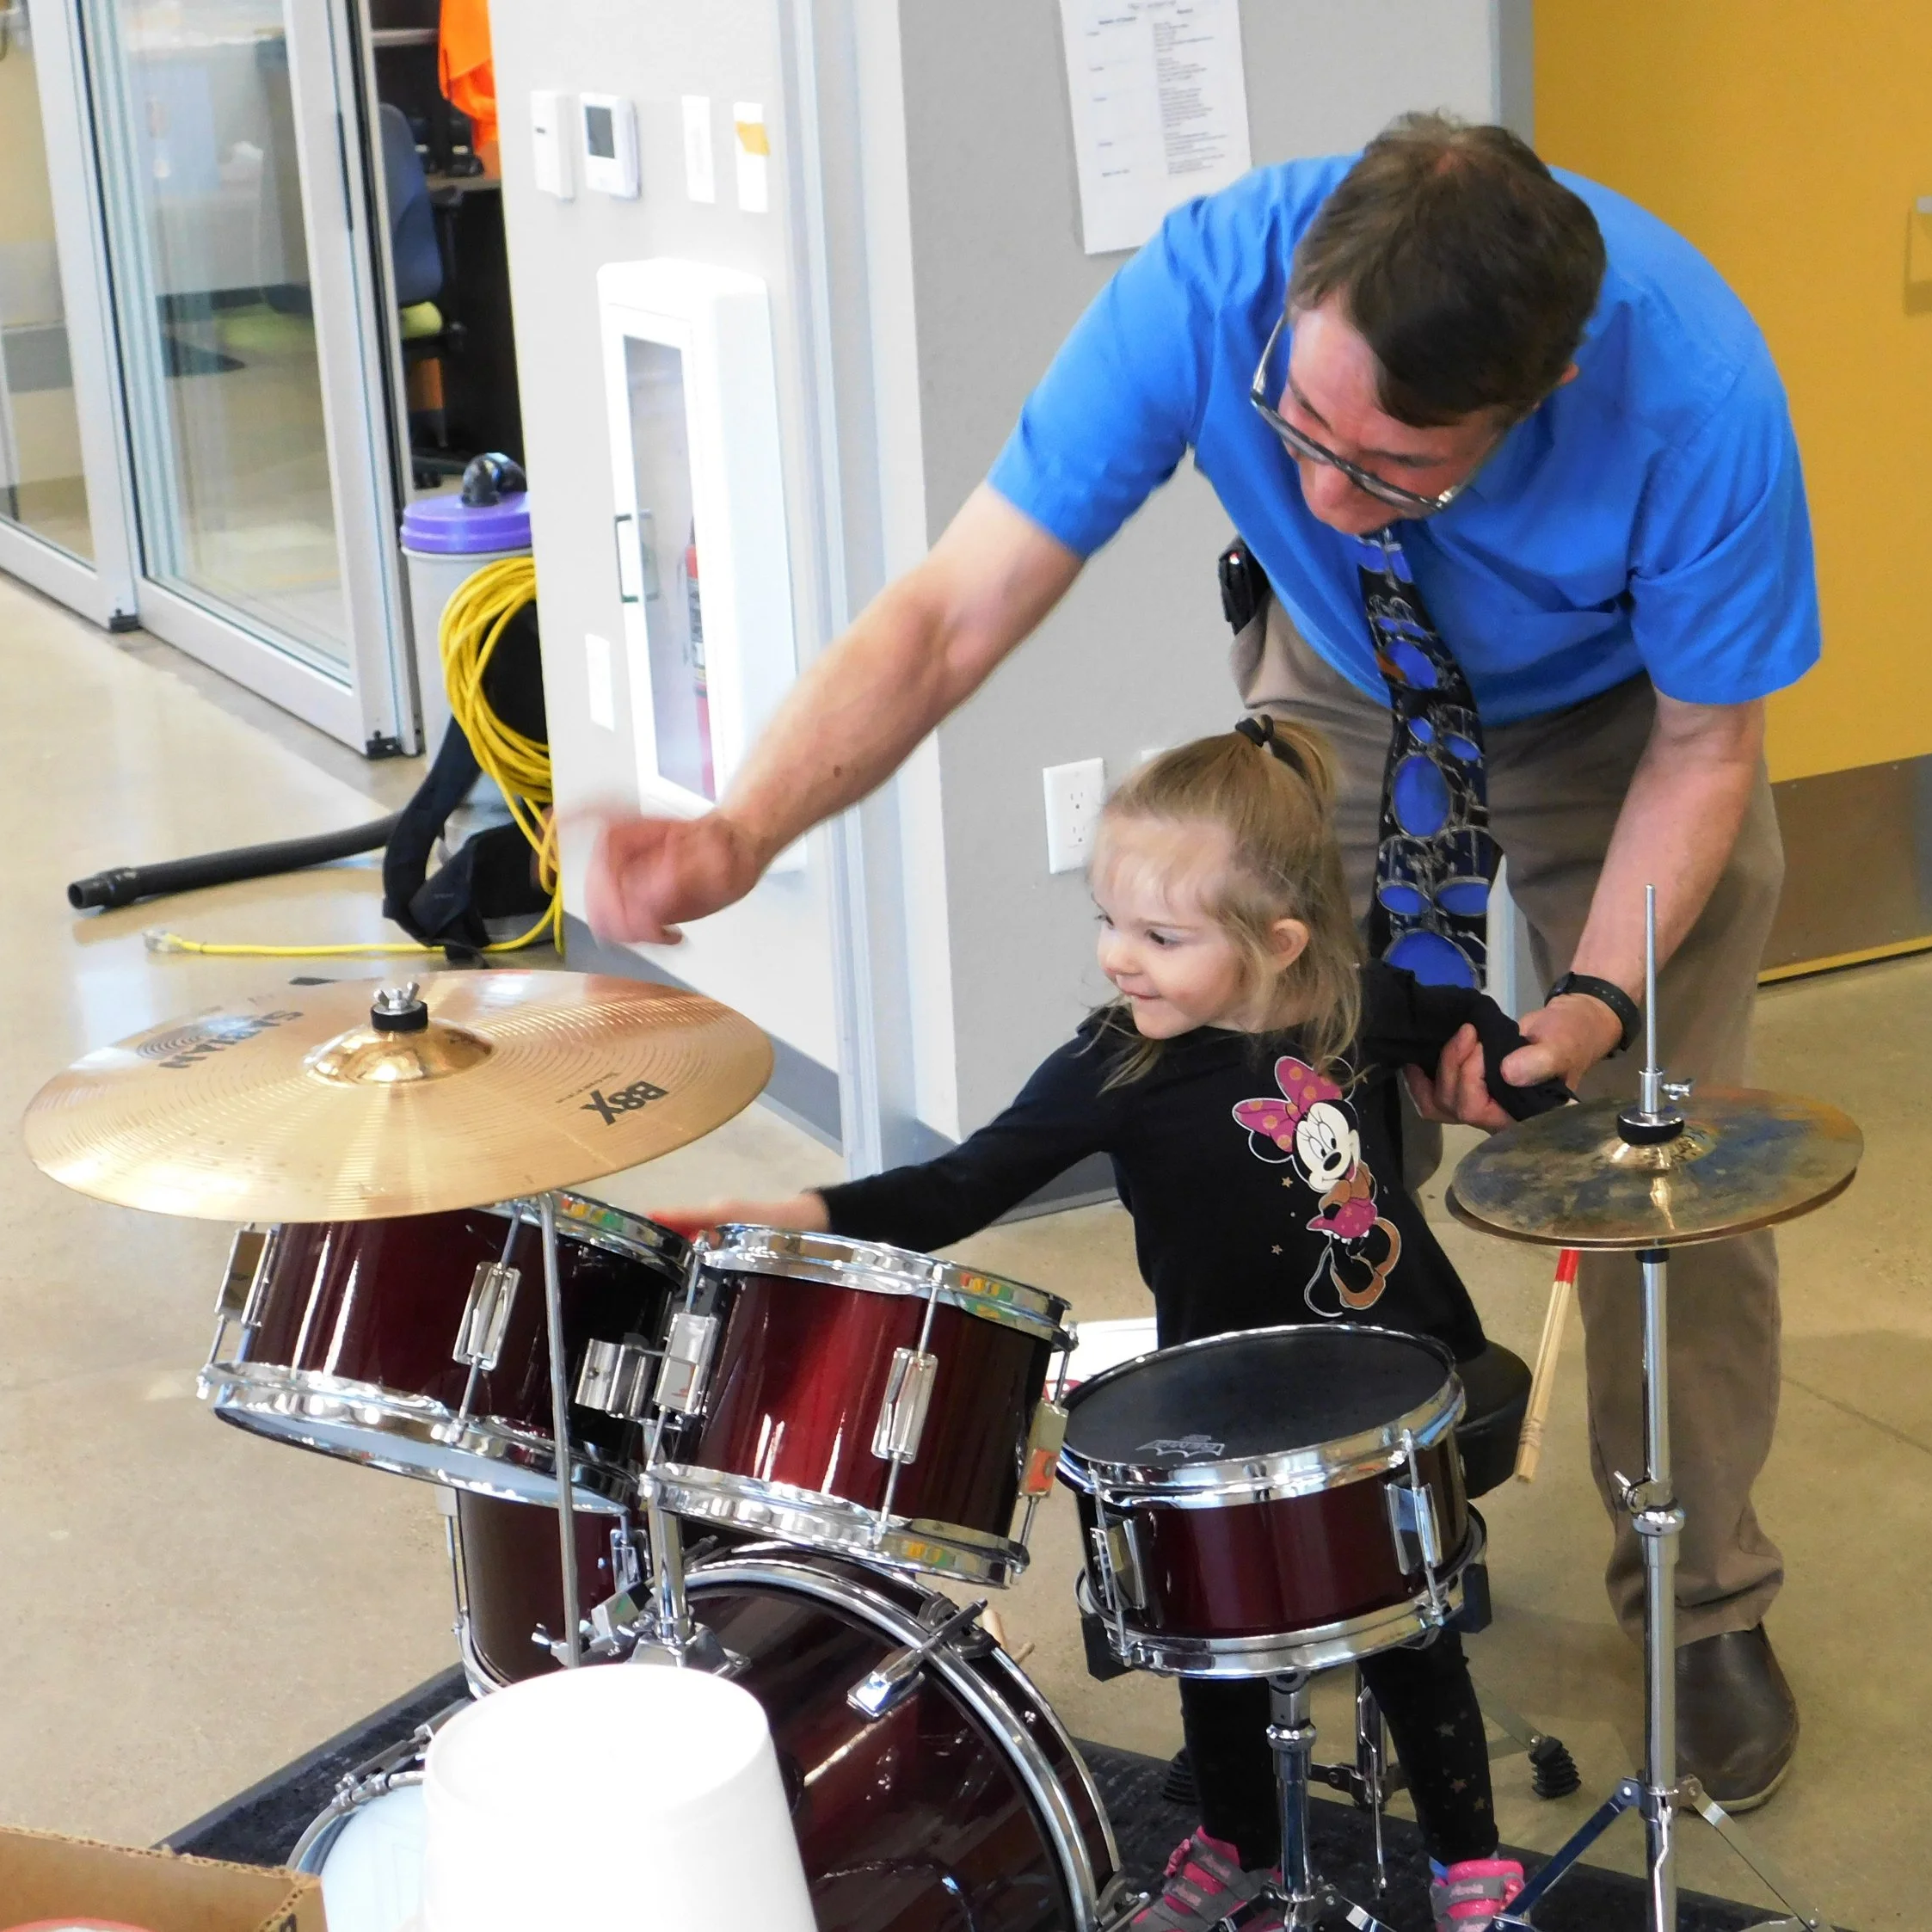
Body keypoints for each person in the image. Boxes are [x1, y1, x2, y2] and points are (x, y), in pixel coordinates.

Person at [590, 114, 1820, 1808]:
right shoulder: (1209, 283)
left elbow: (1704, 754)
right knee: (1296, 1109)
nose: (1319, 490)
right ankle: (1374, 1534)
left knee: (1652, 1163)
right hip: (1343, 659)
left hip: (1614, 717)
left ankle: (1700, 1604)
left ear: (1532, 400)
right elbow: (952, 610)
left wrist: (1595, 1001)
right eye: (1294, 430)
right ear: (1294, 304)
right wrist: (740, 830)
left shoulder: (1692, 400)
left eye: (1389, 468)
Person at [666, 721, 1571, 1930]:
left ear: (1279, 944)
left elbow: (1460, 1006)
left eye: (1159, 936)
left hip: (1387, 1373)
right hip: (1217, 1394)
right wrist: (789, 1210)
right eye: (1107, 922)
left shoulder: (1353, 1006)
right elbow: (956, 1187)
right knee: (1215, 1637)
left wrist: (1508, 1062)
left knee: (1411, 1628)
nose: (1118, 960)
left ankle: (1468, 1857)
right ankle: (1237, 1839)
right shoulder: (1111, 1064)